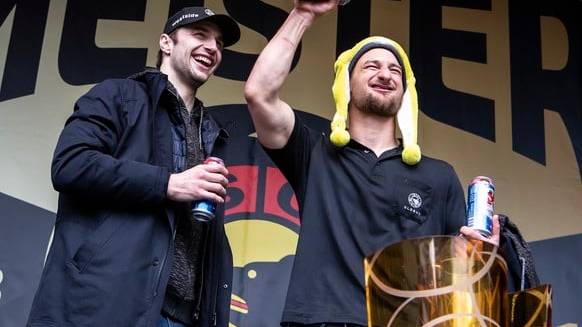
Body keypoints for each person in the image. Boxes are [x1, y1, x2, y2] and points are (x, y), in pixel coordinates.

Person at [244, 1, 499, 326]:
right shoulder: (315, 155)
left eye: (396, 71)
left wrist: (482, 253)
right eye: (371, 67)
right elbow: (258, 93)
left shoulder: (439, 175)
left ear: (406, 93)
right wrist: (303, 14)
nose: (385, 74)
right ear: (345, 84)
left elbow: (460, 275)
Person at [27, 6, 240, 327]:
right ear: (166, 43)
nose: (213, 47)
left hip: (182, 315)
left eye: (219, 43)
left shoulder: (210, 132)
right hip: (109, 305)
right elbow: (70, 164)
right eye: (200, 35)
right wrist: (168, 184)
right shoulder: (118, 95)